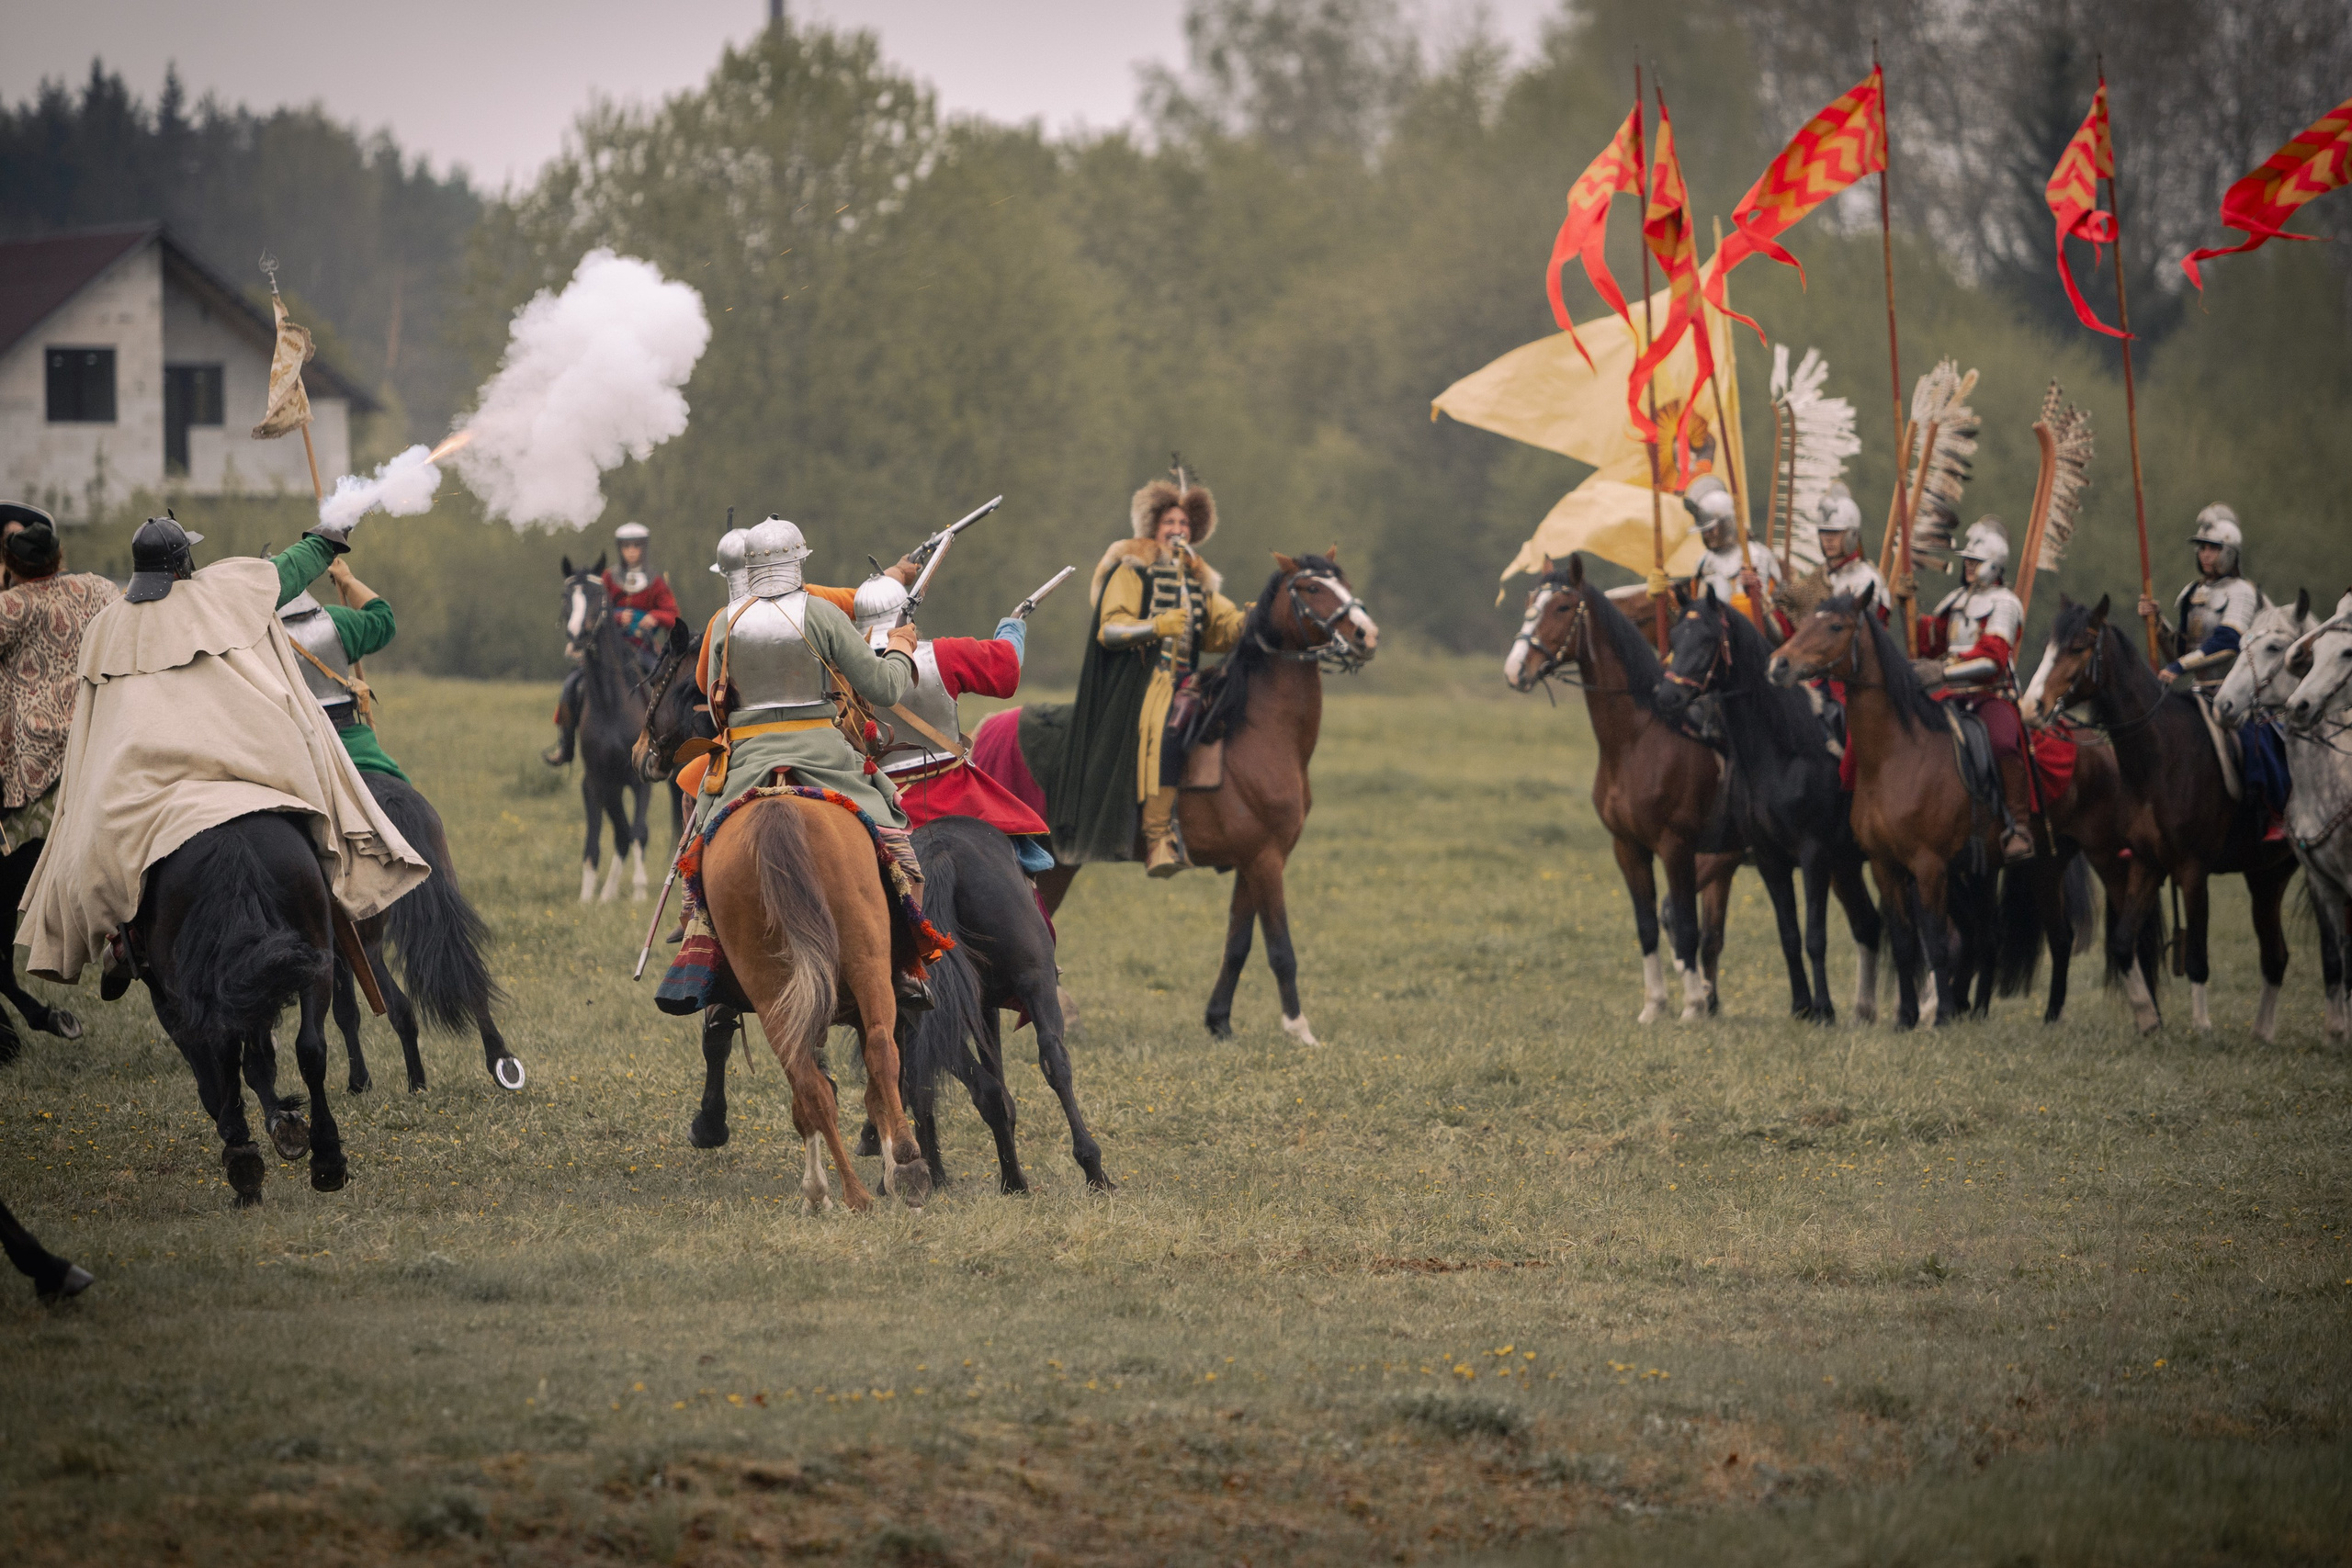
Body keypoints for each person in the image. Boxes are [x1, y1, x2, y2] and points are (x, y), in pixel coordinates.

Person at [18, 513, 428, 987]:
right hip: (233, 765)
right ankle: (330, 892)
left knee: (107, 848)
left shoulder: (105, 629)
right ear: (181, 565)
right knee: (311, 825)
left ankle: (125, 938)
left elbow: (96, 726)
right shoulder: (221, 594)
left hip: (140, 783)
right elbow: (289, 569)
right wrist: (327, 536)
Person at [690, 515, 933, 1006]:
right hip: (824, 754)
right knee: (897, 840)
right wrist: (901, 649)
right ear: (799, 561)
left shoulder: (726, 620)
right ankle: (907, 963)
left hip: (748, 756)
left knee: (697, 849)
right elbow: (884, 687)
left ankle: (700, 943)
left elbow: (716, 704)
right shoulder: (821, 614)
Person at [1057, 474, 1244, 877]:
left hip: (1185, 679)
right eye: (1170, 523)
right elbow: (1110, 628)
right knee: (1171, 727)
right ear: (1153, 526)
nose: (1178, 531)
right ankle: (1158, 838)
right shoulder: (1131, 567)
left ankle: (1230, 827)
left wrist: (1251, 620)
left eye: (1184, 525)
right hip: (1142, 682)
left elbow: (1220, 627)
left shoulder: (1197, 578)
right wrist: (1157, 625)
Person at [849, 571, 1055, 872]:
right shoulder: (942, 653)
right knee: (1022, 870)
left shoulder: (839, 668)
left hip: (879, 803)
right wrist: (1013, 626)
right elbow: (1005, 669)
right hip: (955, 794)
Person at [2138, 502, 2285, 839]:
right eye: (2202, 548)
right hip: (2199, 692)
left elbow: (2227, 641)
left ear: (2230, 552)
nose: (2205, 554)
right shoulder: (2192, 593)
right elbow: (2182, 648)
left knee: (2254, 743)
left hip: (2239, 693)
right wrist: (2156, 623)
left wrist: (2177, 666)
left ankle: (2272, 811)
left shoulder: (2243, 593)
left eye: (2213, 548)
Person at [0, 505, 119, 859]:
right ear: (58, 556)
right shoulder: (95, 589)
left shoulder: (10, 606)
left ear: (12, 564)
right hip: (93, 740)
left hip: (32, 764)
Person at [1920, 516, 2035, 863]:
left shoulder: (2004, 603)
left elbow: (1992, 661)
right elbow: (1933, 642)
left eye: (1975, 561)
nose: (1968, 566)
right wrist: (1908, 610)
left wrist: (1942, 669)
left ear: (1994, 565)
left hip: (1991, 694)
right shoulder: (1955, 599)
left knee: (2002, 742)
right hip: (1952, 694)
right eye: (1966, 560)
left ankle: (2018, 825)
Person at [544, 519, 679, 765]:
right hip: (606, 650)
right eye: (627, 547)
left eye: (636, 547)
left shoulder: (656, 581)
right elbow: (593, 609)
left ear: (643, 549)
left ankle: (665, 746)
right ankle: (566, 745)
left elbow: (673, 615)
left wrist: (653, 617)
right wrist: (617, 616)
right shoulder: (607, 578)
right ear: (620, 549)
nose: (631, 552)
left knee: (663, 690)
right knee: (570, 687)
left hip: (642, 649)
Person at [277, 557, 406, 782]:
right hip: (347, 733)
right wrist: (347, 580)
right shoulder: (336, 620)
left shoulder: (253, 633)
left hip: (291, 737)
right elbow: (383, 619)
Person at [1687, 474, 1781, 611]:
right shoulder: (1704, 561)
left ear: (1727, 524)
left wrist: (1753, 595)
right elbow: (1694, 604)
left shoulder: (1756, 555)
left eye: (1711, 529)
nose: (1706, 534)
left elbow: (1769, 611)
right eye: (1704, 530)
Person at [1815, 484, 1887, 610]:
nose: (1828, 538)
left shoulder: (1868, 580)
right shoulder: (1815, 580)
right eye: (1824, 532)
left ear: (1851, 535)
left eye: (1835, 532)